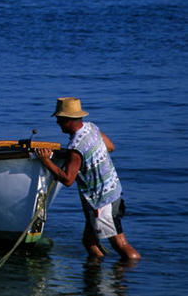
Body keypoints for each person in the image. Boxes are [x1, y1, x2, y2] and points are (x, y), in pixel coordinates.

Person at [34, 97, 141, 261]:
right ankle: (95, 277)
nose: (58, 123)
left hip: (101, 201)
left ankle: (132, 272)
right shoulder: (91, 128)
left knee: (120, 243)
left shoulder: (76, 147)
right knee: (89, 241)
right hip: (114, 191)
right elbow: (110, 147)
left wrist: (46, 161)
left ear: (68, 120)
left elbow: (68, 180)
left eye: (60, 120)